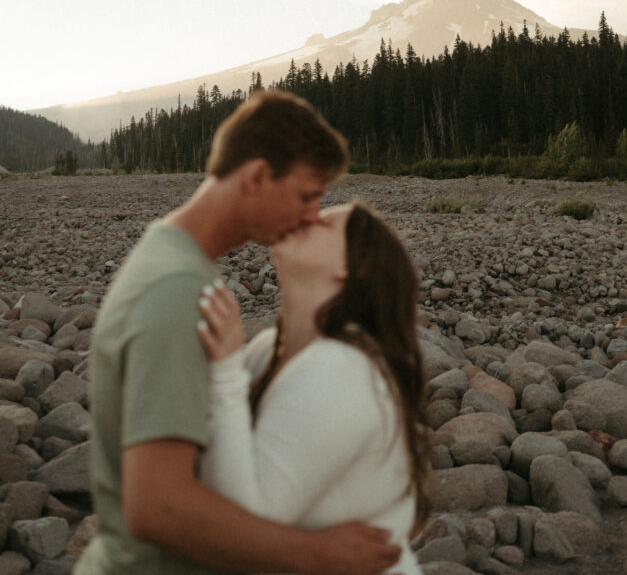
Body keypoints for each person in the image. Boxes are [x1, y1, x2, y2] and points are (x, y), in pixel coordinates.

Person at [75, 91, 402, 575]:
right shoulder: (177, 289)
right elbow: (157, 507)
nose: (314, 215)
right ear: (255, 177)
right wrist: (319, 555)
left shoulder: (172, 260)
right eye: (308, 194)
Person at [197, 202, 430, 575]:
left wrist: (224, 370)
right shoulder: (266, 350)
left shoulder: (345, 368)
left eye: (321, 223)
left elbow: (247, 519)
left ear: (353, 268)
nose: (303, 216)